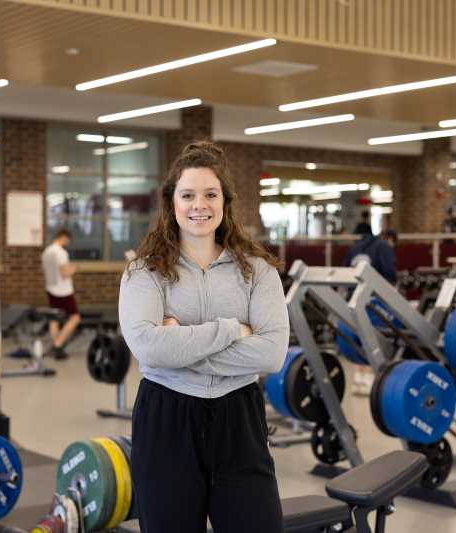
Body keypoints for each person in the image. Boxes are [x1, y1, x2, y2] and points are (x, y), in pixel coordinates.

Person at [119, 141, 288, 533]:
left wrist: (178, 345)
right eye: (188, 195)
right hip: (167, 418)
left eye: (210, 194)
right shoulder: (144, 272)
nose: (200, 205)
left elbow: (272, 354)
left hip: (238, 417)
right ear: (171, 202)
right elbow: (148, 348)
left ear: (225, 201)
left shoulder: (259, 271)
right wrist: (231, 330)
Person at [343, 225, 398, 396]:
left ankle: (358, 381)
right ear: (390, 238)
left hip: (353, 299)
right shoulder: (383, 246)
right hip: (374, 301)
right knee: (372, 338)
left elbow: (345, 270)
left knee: (356, 340)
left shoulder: (355, 247)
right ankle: (371, 382)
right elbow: (390, 272)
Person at [41, 228, 80, 360]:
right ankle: (58, 345)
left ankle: (55, 345)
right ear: (63, 237)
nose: (67, 242)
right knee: (75, 318)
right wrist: (73, 269)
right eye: (67, 240)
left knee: (54, 318)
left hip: (51, 289)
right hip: (63, 291)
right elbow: (64, 273)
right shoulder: (61, 252)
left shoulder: (46, 251)